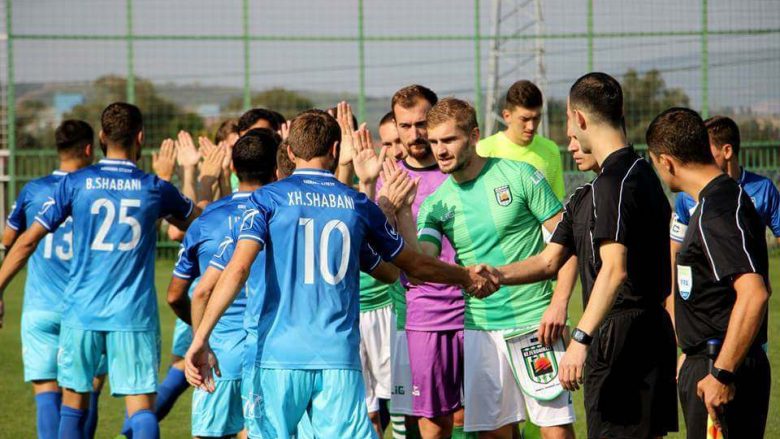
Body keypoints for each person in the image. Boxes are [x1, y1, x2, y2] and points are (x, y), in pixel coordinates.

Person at [184, 109, 497, 438]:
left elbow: (238, 268)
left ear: (290, 152)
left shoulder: (266, 199)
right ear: (336, 149)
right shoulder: (357, 204)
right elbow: (403, 268)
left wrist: (201, 338)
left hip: (277, 356)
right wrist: (464, 276)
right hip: (337, 357)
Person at [483, 73, 678, 438]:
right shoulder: (608, 185)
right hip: (634, 333)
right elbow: (548, 261)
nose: (569, 138)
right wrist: (495, 274)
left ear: (579, 118)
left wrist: (580, 340)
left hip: (626, 337)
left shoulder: (618, 182)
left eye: (570, 127)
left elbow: (614, 271)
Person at [0, 102, 200, 439]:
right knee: (140, 407)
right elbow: (192, 224)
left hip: (80, 312)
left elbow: (25, 242)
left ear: (103, 137)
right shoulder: (154, 187)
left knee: (73, 404)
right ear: (140, 137)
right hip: (132, 315)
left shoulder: (76, 183)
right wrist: (189, 174)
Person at [399, 98, 576, 439]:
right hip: (479, 329)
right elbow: (421, 264)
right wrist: (405, 213)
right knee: (492, 433)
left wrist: (559, 303)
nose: (440, 151)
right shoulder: (437, 204)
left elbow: (567, 245)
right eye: (435, 142)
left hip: (533, 323)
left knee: (554, 429)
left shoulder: (520, 175)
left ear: (474, 135)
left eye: (449, 140)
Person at [647, 107, 770, 439]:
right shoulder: (711, 203)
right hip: (706, 362)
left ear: (665, 161)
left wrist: (721, 374)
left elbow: (754, 293)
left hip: (721, 368)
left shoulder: (718, 209)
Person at [169, 129, 280, 439]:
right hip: (272, 353)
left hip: (220, 356)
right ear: (277, 168)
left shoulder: (206, 219)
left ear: (232, 169)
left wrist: (200, 337)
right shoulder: (286, 215)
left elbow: (179, 294)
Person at [0, 120, 106, 439]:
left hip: (40, 308)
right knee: (85, 389)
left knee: (46, 389)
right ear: (89, 149)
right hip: (86, 308)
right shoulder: (95, 188)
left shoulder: (33, 190)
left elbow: (11, 240)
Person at [476, 80, 566, 200]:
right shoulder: (484, 150)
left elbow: (557, 202)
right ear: (507, 116)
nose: (531, 126)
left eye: (536, 118)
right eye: (524, 119)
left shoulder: (550, 150)